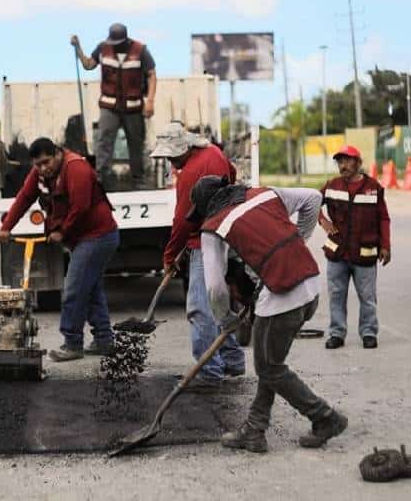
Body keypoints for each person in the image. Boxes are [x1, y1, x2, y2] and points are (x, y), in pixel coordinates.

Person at [190, 176, 347, 452]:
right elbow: (313, 198)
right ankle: (254, 429)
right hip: (309, 286)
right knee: (271, 365)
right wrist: (299, 239)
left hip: (283, 297)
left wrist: (224, 318)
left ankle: (325, 417)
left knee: (269, 367)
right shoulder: (264, 194)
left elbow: (214, 287)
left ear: (207, 207)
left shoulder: (212, 228)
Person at [0, 138, 120, 361]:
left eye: (46, 162)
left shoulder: (76, 168)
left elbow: (80, 207)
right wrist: (6, 228)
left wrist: (61, 231)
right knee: (90, 289)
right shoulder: (41, 174)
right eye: (38, 165)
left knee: (73, 289)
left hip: (98, 236)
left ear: (57, 153)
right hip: (83, 238)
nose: (43, 168)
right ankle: (104, 340)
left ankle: (72, 343)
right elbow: (24, 198)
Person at [149, 123, 244, 387]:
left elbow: (181, 221)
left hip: (207, 240)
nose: (170, 161)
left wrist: (169, 256)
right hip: (226, 231)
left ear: (184, 148)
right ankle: (233, 361)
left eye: (171, 156)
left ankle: (209, 373)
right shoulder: (214, 152)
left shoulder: (190, 173)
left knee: (199, 308)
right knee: (218, 303)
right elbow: (232, 174)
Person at [319, 145, 391, 350]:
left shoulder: (373, 187)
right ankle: (336, 334)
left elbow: (383, 218)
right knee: (336, 296)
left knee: (368, 297)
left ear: (358, 163)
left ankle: (368, 332)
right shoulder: (332, 186)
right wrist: (323, 222)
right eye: (340, 162)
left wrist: (385, 245)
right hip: (337, 253)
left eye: (347, 161)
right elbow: (313, 203)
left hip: (364, 254)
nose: (343, 165)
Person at [71, 23, 157, 188]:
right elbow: (89, 65)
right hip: (109, 106)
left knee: (136, 144)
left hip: (133, 108)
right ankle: (101, 179)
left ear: (126, 40)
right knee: (104, 142)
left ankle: (139, 181)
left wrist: (150, 101)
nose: (115, 46)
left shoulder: (140, 50)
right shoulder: (103, 48)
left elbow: (152, 74)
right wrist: (78, 48)